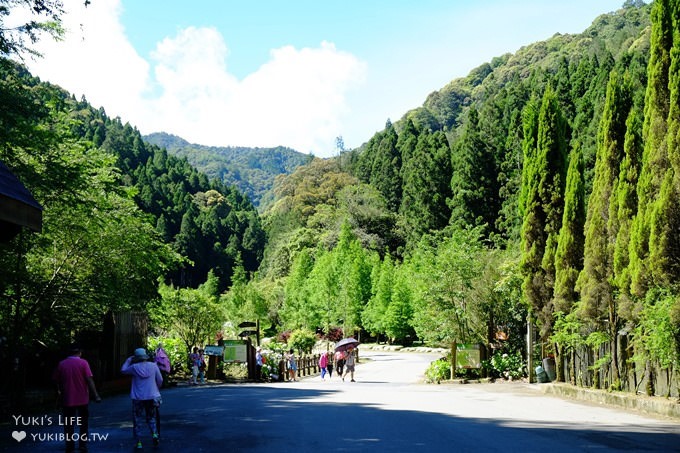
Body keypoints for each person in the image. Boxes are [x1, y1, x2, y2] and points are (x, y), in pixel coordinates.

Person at [52, 344, 101, 453]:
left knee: (68, 423)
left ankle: (69, 446)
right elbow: (89, 380)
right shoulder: (83, 362)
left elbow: (55, 380)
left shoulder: (62, 364)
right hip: (82, 399)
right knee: (83, 423)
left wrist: (58, 392)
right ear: (79, 352)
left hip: (67, 399)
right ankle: (82, 445)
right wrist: (96, 395)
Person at [121, 348, 163, 450]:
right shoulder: (153, 366)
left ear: (136, 358)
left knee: (137, 419)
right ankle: (154, 435)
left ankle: (139, 442)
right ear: (145, 356)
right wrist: (156, 388)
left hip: (138, 397)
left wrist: (128, 360)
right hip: (152, 396)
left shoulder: (134, 367)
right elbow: (160, 379)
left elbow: (123, 370)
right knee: (151, 418)